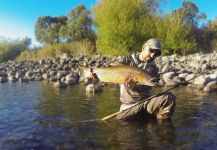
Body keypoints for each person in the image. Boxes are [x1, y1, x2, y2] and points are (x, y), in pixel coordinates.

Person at [116, 38, 176, 120]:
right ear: (143, 48)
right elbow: (110, 70)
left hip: (146, 104)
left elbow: (148, 86)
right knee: (121, 123)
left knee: (169, 98)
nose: (152, 55)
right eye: (151, 50)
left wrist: (134, 85)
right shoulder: (125, 60)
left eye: (157, 53)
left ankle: (161, 128)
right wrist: (94, 75)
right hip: (128, 106)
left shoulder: (153, 68)